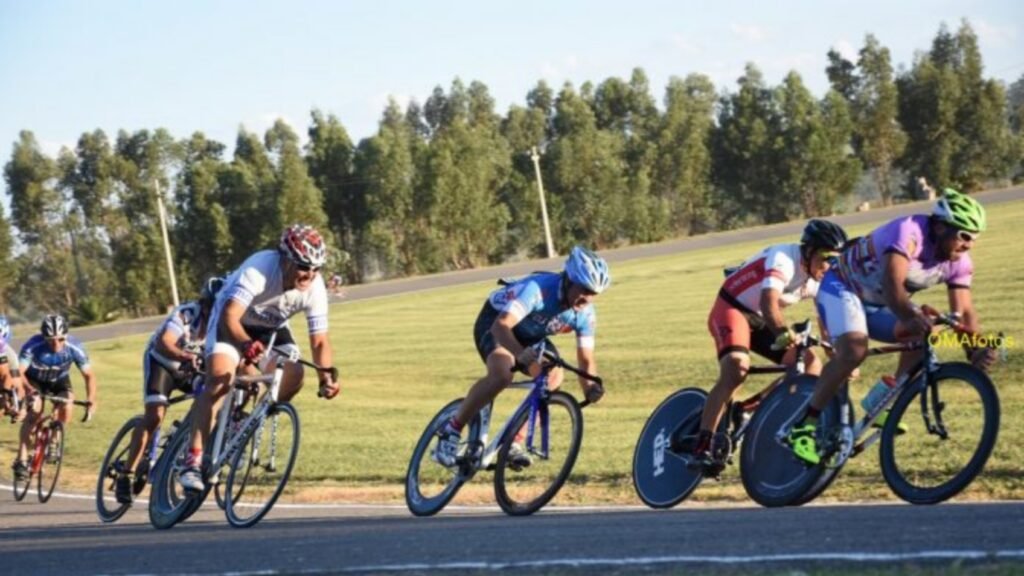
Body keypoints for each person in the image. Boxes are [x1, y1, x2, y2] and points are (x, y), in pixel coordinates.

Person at [789, 189, 997, 465]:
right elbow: (891, 284)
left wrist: (975, 350)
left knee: (923, 334)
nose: (969, 244)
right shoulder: (909, 231)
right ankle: (803, 425)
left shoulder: (959, 263)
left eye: (974, 238)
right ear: (940, 226)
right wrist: (910, 315)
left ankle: (884, 397)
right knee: (854, 352)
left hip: (877, 302)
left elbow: (964, 311)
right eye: (964, 235)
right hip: (842, 286)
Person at [177, 224, 340, 493]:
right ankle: (192, 461)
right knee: (220, 381)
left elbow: (319, 340)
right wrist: (244, 344)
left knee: (295, 375)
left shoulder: (315, 287)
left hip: (269, 329)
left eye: (316, 269)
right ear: (285, 259)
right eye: (302, 266)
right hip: (232, 323)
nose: (309, 274)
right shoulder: (260, 268)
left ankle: (241, 426)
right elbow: (230, 316)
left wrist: (325, 377)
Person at [693, 219, 848, 474]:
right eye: (825, 258)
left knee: (812, 365)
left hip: (763, 319)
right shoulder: (783, 259)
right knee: (736, 370)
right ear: (808, 252)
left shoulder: (819, 276)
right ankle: (702, 445)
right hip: (733, 309)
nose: (829, 266)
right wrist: (784, 333)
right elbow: (768, 303)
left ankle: (747, 409)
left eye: (835, 260)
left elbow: (825, 317)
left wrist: (837, 352)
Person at [433, 246, 610, 468]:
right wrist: (519, 354)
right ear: (568, 280)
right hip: (496, 322)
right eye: (583, 289)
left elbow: (586, 359)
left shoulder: (586, 314)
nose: (587, 298)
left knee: (552, 376)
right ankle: (452, 430)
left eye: (593, 294)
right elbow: (501, 327)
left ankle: (512, 444)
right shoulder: (538, 289)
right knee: (502, 374)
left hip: (531, 334)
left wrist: (590, 388)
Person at [114, 276, 224, 504]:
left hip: (189, 369)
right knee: (154, 416)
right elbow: (164, 342)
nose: (215, 312)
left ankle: (184, 439)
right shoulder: (186, 314)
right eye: (212, 307)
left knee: (208, 399)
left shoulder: (221, 324)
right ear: (204, 304)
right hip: (161, 363)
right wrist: (187, 355)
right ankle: (126, 473)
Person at [13, 314, 97, 480]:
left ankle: (54, 440)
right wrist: (29, 390)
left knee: (67, 404)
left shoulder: (75, 347)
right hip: (34, 381)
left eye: (60, 339)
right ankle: (21, 459)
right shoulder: (32, 346)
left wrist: (92, 400)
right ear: (44, 337)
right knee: (35, 412)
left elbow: (89, 376)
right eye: (51, 340)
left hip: (59, 380)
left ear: (66, 336)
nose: (56, 344)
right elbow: (19, 373)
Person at [0, 316, 26, 421]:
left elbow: (7, 375)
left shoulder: (10, 355)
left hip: (7, 369)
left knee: (14, 386)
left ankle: (19, 407)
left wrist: (7, 396)